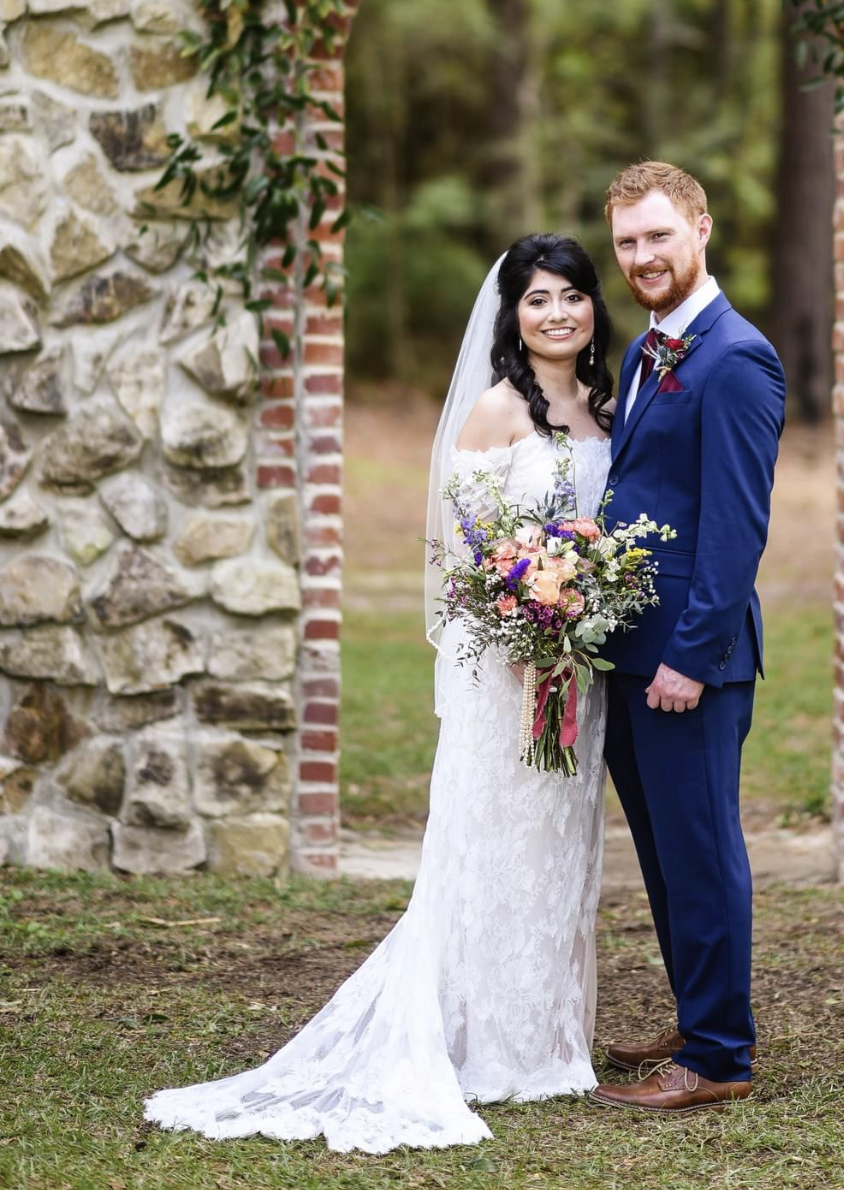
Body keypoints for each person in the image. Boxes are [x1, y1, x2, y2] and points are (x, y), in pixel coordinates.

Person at [144, 233, 615, 1154]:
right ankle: (476, 1042)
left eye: (572, 295)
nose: (557, 313)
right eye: (537, 299)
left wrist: (578, 616)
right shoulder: (495, 409)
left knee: (559, 836)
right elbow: (467, 548)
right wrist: (528, 630)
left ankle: (544, 1041)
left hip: (575, 663)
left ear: (593, 306)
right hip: (509, 660)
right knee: (492, 833)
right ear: (513, 316)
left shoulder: (604, 402)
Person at [589, 160, 786, 1115]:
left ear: (700, 228)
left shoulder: (735, 357)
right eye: (627, 242)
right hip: (630, 649)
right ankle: (696, 1011)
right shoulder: (650, 348)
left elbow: (735, 528)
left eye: (659, 235)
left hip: (687, 660)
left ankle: (719, 1054)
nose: (642, 257)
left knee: (701, 849)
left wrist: (689, 658)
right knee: (666, 852)